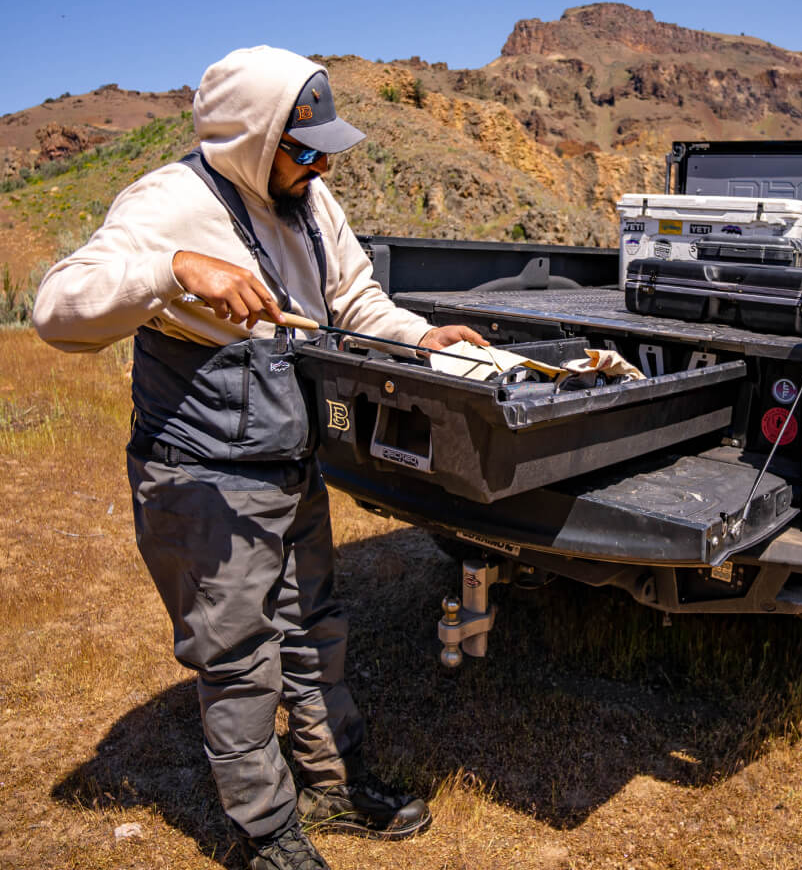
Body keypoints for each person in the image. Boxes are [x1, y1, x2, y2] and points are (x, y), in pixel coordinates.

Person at [33, 46, 487, 870]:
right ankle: (265, 831)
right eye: (302, 147)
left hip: (287, 460)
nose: (317, 164)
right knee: (239, 659)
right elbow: (58, 309)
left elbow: (353, 301)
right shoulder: (169, 203)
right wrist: (172, 270)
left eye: (324, 149)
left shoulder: (310, 200)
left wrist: (420, 337)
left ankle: (333, 786)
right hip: (203, 479)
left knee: (313, 632)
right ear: (251, 135)